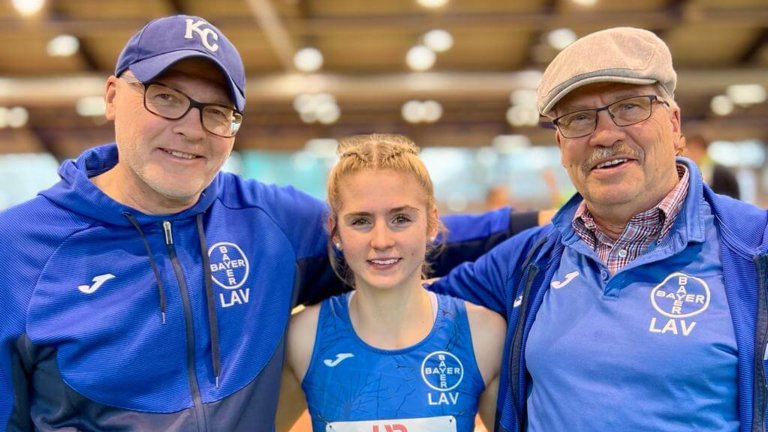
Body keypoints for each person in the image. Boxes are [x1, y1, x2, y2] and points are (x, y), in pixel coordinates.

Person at [0, 15, 544, 431]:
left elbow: (410, 239)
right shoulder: (18, 249)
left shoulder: (269, 222)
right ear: (114, 95)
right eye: (166, 98)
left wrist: (561, 217)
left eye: (216, 112)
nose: (191, 129)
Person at [430, 27, 768, 431]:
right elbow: (405, 308)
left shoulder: (754, 249)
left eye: (629, 107)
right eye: (578, 119)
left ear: (674, 123)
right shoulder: (529, 261)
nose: (604, 135)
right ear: (560, 145)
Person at [276, 134, 505, 431]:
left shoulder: (483, 335)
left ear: (431, 223)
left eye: (400, 219)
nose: (381, 241)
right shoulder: (303, 338)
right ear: (335, 232)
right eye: (361, 221)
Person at [684, 133, 741, 199]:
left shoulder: (719, 172)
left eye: (693, 151)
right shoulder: (693, 171)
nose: (689, 155)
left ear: (702, 150)